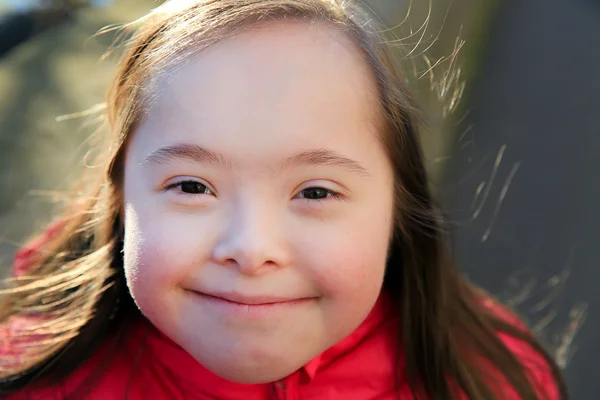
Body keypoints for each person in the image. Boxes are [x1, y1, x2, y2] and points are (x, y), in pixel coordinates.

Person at [0, 0, 568, 398]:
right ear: (121, 198)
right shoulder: (27, 378)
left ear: (398, 207)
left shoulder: (490, 377)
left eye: (316, 191)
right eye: (193, 186)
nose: (251, 250)